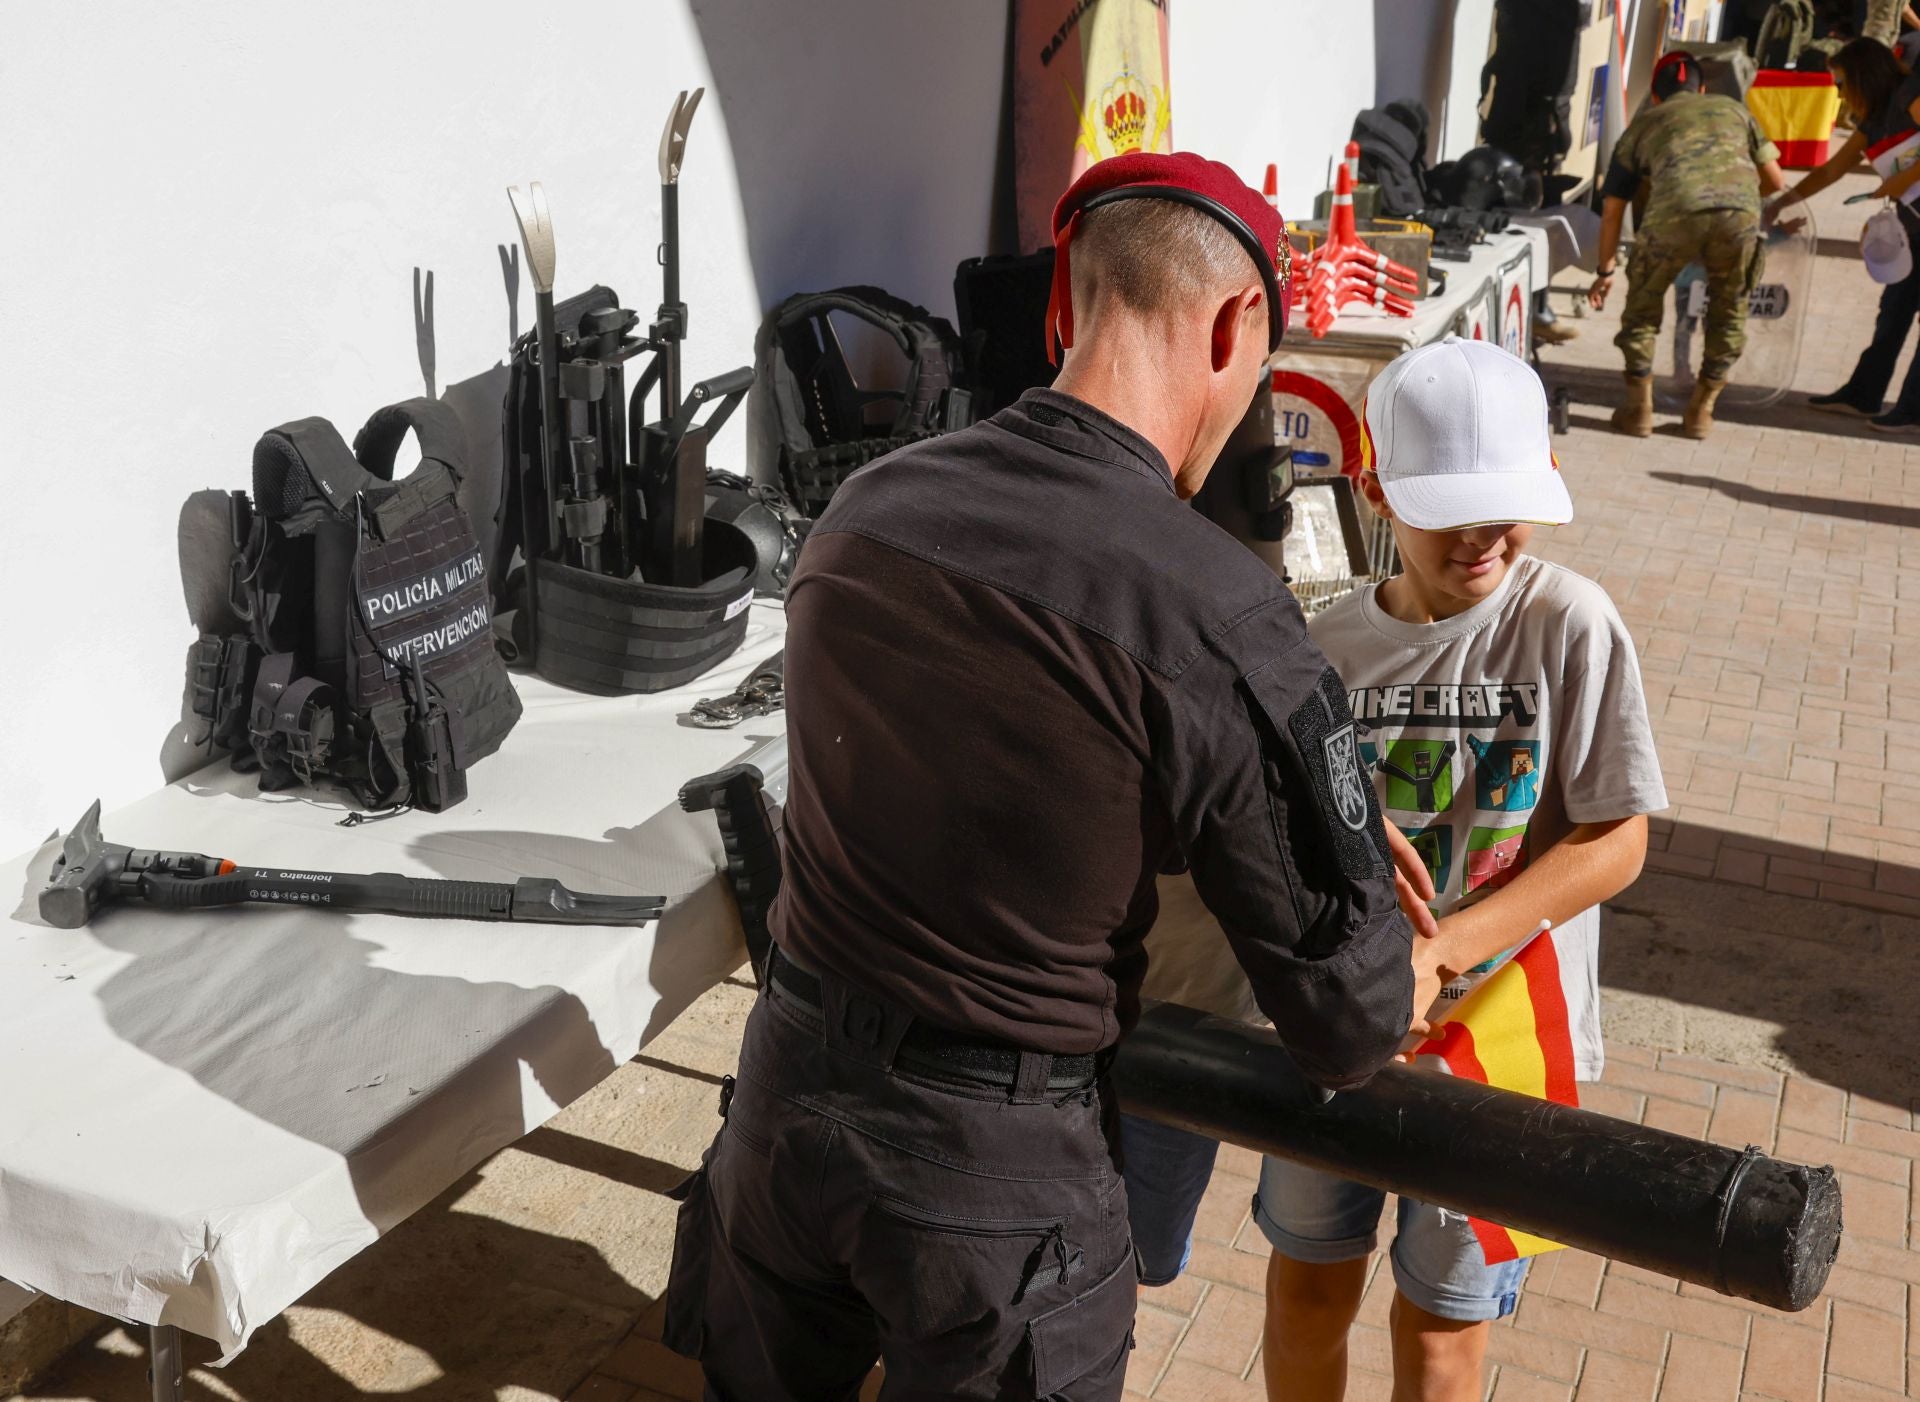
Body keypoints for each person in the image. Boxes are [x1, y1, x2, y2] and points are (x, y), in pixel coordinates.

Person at [661, 151, 1438, 1402]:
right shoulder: (1216, 610)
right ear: (1237, 326)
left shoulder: (864, 511)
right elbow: (1347, 1023)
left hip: (784, 1108)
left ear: (1062, 309)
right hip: (992, 1183)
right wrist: (1388, 932)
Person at [1121, 338, 1668, 1402]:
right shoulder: (1321, 649)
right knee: (1308, 1288)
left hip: (1499, 1042)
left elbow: (1617, 839)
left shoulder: (1570, 623)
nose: (1481, 536)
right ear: (1374, 492)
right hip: (1338, 1033)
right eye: (1447, 509)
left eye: (1506, 506)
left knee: (1444, 1328)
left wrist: (1442, 953)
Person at [1589, 51, 1789, 439]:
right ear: (1701, 89)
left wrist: (1605, 270)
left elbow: (1613, 209)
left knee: (1642, 310)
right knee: (1729, 311)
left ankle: (1639, 410)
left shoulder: (1643, 125)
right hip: (1738, 218)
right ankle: (1701, 411)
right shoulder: (1735, 111)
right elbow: (1775, 181)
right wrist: (1730, 207)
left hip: (1672, 215)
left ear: (1656, 96)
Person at [1768, 38, 1920, 430]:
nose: (1838, 94)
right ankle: (1863, 394)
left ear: (1863, 77)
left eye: (1841, 83)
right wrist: (1782, 203)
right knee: (1893, 313)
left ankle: (1913, 409)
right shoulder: (1872, 121)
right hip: (1912, 228)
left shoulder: (1910, 94)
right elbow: (1830, 171)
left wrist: (1903, 179)